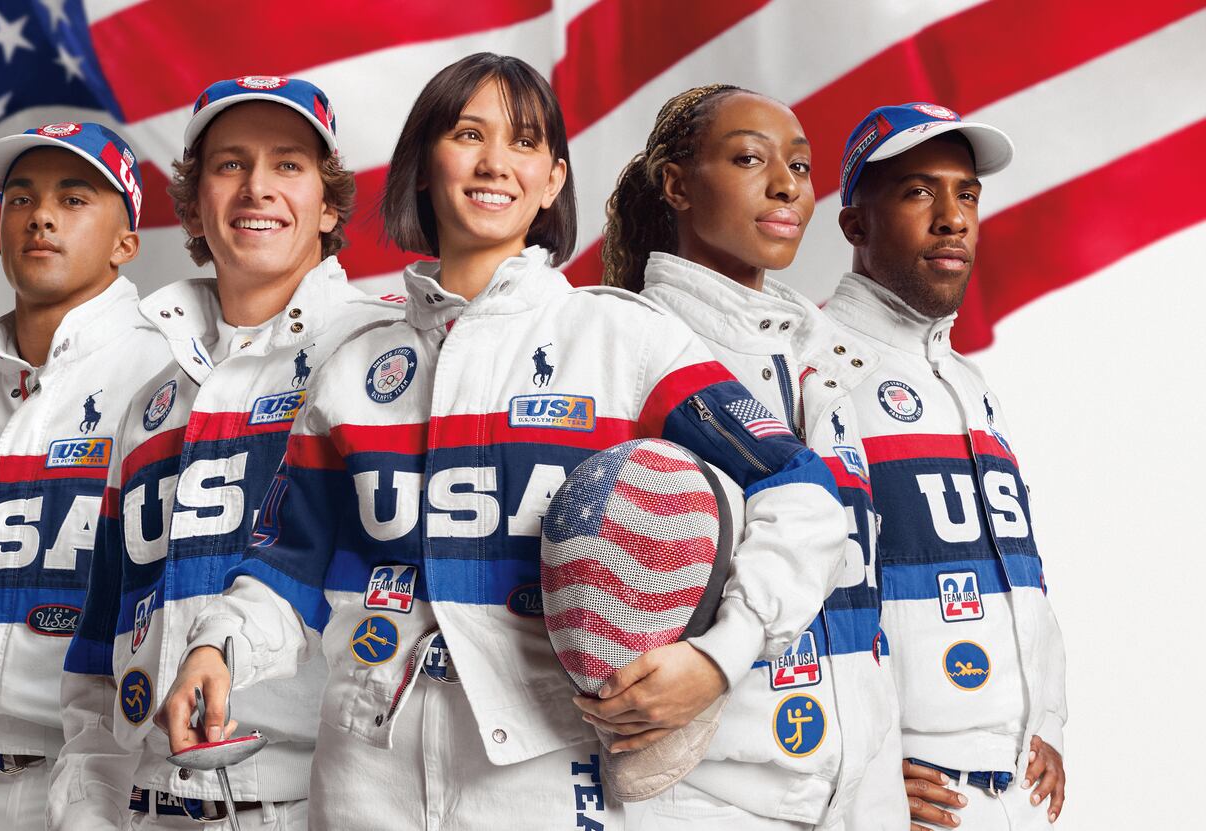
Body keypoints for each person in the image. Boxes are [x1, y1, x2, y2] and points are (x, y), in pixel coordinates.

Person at [157, 52, 848, 830]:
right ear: (423, 165)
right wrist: (216, 648)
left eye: (523, 144)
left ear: (553, 179)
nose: (494, 163)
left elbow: (799, 488)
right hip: (361, 778)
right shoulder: (353, 368)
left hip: (549, 778)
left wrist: (724, 653)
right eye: (467, 134)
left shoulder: (622, 337)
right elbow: (288, 565)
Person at [49, 77, 402, 830]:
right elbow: (97, 641)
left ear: (330, 203)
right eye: (230, 164)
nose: (257, 188)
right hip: (147, 806)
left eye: (288, 165)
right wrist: (85, 808)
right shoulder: (150, 401)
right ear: (195, 205)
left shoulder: (380, 353)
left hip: (313, 802)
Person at [602, 83, 906, 830]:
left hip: (863, 791)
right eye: (749, 158)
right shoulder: (622, 343)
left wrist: (899, 755)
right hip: (702, 793)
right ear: (676, 184)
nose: (786, 186)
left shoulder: (825, 354)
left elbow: (865, 580)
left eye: (801, 167)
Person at [0, 122, 168, 830]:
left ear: (125, 241)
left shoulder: (169, 380)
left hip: (116, 779)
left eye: (74, 198)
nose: (41, 215)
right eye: (20, 199)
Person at [823, 103, 1067, 829]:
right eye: (918, 191)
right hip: (904, 800)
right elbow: (791, 597)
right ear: (855, 225)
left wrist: (1045, 718)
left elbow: (1019, 572)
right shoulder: (813, 367)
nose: (952, 217)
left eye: (966, 193)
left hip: (1011, 790)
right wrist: (857, 762)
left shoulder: (968, 383)